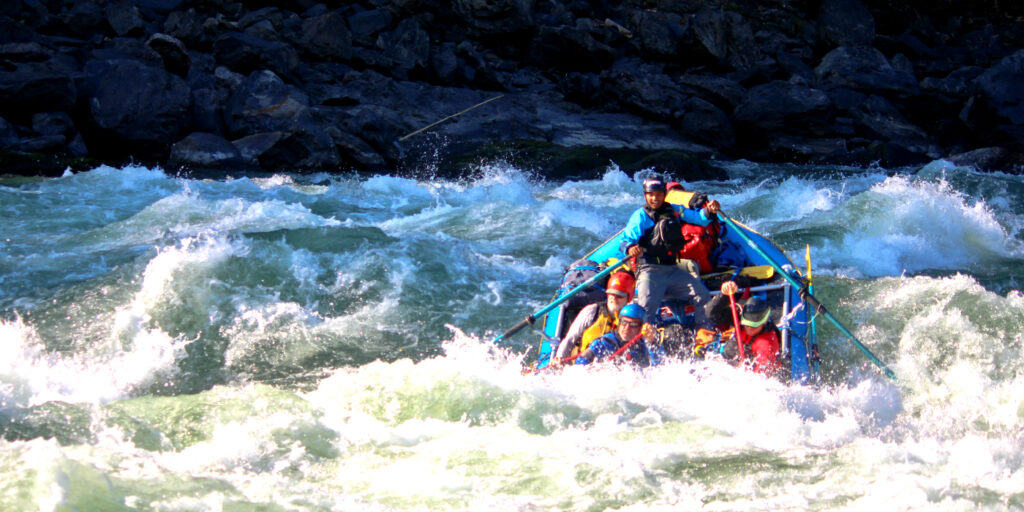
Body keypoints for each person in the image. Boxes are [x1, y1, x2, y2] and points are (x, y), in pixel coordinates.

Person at [621, 174, 721, 335]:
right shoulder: (640, 216)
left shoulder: (674, 210)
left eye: (659, 194)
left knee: (702, 296)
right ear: (645, 195)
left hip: (672, 269)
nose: (655, 198)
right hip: (649, 270)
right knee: (644, 311)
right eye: (651, 195)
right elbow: (625, 241)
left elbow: (699, 219)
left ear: (664, 194)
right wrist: (631, 247)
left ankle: (704, 334)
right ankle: (643, 345)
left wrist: (709, 211)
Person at [551, 271, 635, 365]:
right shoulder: (592, 311)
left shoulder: (633, 320)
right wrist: (559, 358)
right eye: (611, 294)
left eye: (619, 295)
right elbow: (569, 340)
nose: (614, 298)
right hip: (583, 365)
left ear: (629, 298)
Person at [719, 283, 782, 376]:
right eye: (747, 324)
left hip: (754, 372)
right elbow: (712, 313)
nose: (749, 328)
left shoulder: (766, 344)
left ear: (764, 323)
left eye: (754, 326)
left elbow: (761, 376)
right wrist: (723, 295)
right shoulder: (740, 323)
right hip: (735, 360)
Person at [575, 303, 662, 366]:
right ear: (619, 323)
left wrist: (652, 342)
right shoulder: (605, 342)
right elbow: (580, 361)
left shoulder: (645, 343)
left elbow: (659, 364)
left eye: (633, 324)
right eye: (624, 322)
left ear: (641, 327)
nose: (627, 327)